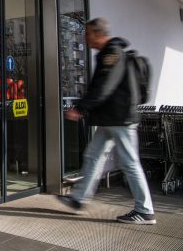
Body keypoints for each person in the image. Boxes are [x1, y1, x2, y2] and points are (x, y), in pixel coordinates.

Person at [57, 18, 156, 225]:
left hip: (120, 120)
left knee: (129, 163)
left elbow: (104, 87)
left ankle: (145, 211)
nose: (85, 39)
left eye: (88, 34)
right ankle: (78, 199)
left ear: (98, 34)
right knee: (93, 156)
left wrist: (80, 108)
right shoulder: (108, 54)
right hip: (110, 119)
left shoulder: (112, 53)